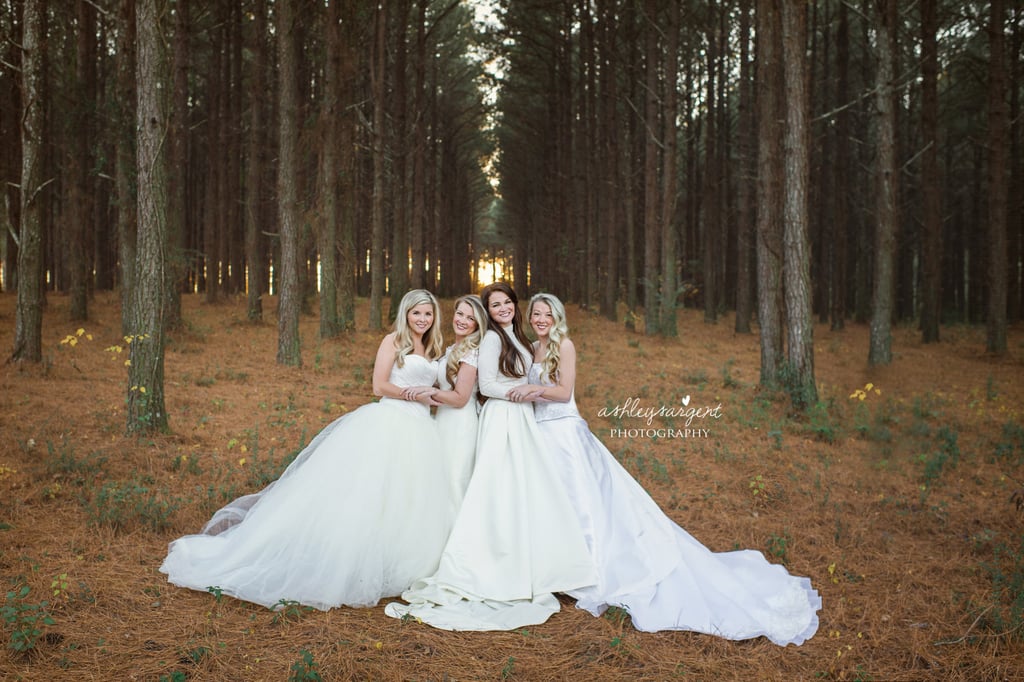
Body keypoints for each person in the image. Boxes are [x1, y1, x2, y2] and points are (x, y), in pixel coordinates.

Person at [514, 292, 820, 645]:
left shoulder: (564, 346)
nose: (540, 319)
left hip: (565, 434)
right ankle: (559, 567)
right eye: (535, 313)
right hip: (541, 435)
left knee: (583, 505)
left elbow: (564, 392)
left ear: (557, 317)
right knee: (552, 504)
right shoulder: (533, 350)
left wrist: (531, 389)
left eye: (546, 314)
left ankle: (589, 571)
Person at [160, 289, 455, 610]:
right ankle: (351, 561)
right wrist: (413, 394)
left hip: (422, 429)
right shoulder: (393, 341)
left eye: (428, 314)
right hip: (391, 421)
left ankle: (400, 560)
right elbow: (378, 385)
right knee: (370, 494)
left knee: (408, 496)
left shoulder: (434, 347)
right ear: (406, 314)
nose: (422, 320)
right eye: (417, 314)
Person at [385, 282, 598, 630]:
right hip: (504, 414)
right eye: (494, 304)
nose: (502, 308)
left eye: (506, 302)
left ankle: (527, 555)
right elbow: (486, 386)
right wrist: (522, 393)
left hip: (521, 416)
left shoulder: (522, 340)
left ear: (515, 305)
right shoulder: (493, 339)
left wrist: (529, 392)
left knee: (520, 488)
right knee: (496, 485)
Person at [402, 294, 488, 506]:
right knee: (440, 479)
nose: (462, 320)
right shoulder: (451, 350)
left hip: (461, 424)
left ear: (477, 324)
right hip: (442, 422)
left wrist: (427, 392)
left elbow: (460, 398)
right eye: (460, 314)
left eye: (470, 318)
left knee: (454, 480)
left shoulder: (472, 353)